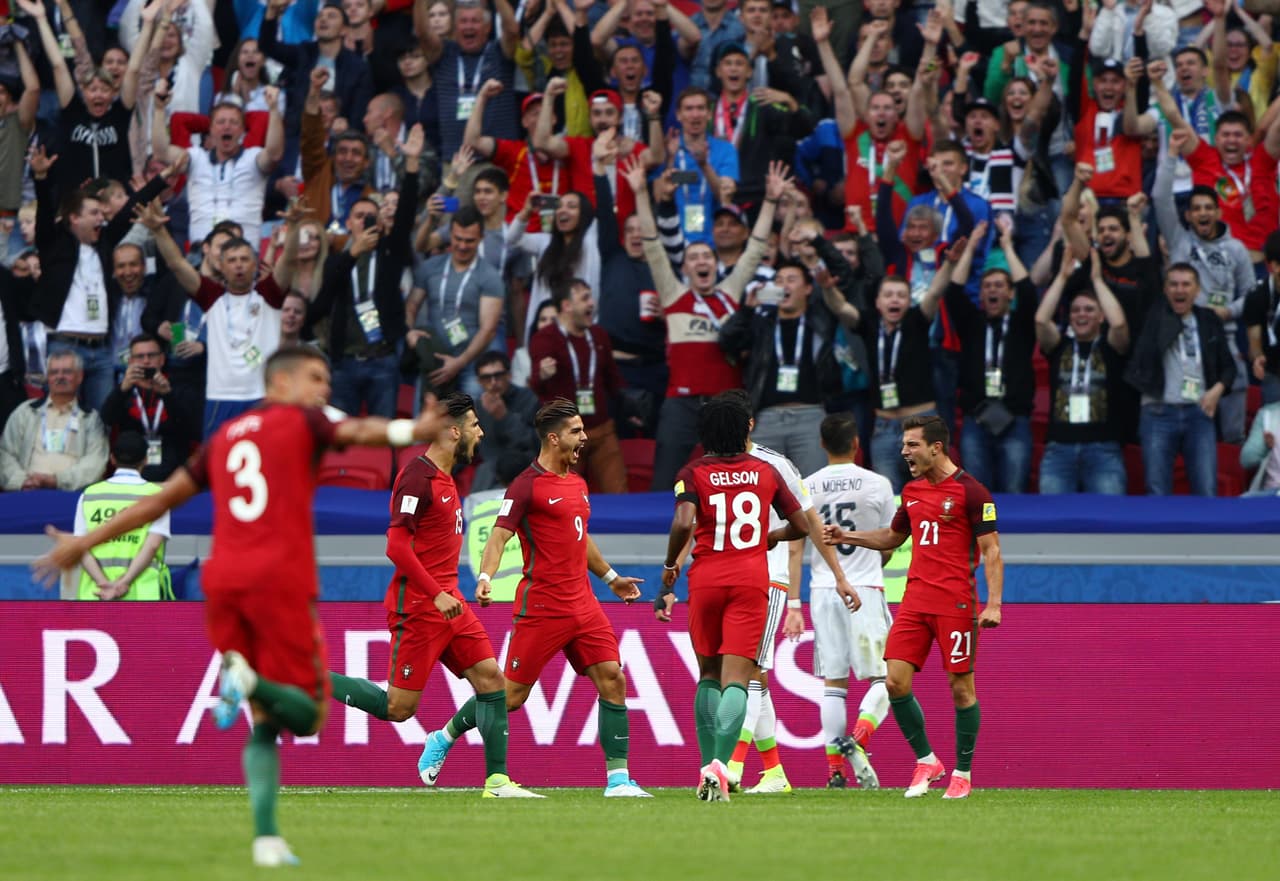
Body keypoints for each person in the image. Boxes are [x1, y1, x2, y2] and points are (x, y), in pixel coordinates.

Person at [33, 345, 448, 867]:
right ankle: (250, 682)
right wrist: (412, 430)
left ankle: (266, 837)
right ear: (280, 383)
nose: (324, 389)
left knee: (264, 724)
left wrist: (82, 542)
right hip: (280, 578)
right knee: (310, 716)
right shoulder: (301, 420)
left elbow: (159, 503)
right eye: (315, 377)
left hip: (225, 581)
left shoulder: (223, 439)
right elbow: (358, 433)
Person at [420, 399, 651, 798]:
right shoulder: (527, 484)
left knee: (612, 678)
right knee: (508, 696)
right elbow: (499, 535)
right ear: (553, 437)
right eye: (577, 431)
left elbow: (579, 537)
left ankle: (618, 780)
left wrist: (610, 577)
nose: (584, 438)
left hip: (584, 605)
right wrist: (487, 577)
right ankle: (443, 736)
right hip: (543, 608)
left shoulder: (578, 483)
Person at [329, 392, 540, 797]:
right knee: (399, 708)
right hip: (421, 607)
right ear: (454, 430)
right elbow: (395, 545)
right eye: (476, 425)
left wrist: (449, 594)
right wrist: (435, 594)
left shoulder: (446, 480)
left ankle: (497, 781)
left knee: (492, 681)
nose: (481, 432)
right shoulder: (417, 476)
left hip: (451, 604)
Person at [822, 413, 1003, 801]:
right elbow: (891, 535)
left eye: (912, 445)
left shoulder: (973, 493)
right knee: (894, 682)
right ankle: (927, 760)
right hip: (915, 602)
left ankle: (962, 773)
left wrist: (994, 604)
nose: (903, 451)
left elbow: (991, 551)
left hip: (955, 603)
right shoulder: (914, 492)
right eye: (904, 445)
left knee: (961, 690)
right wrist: (845, 535)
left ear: (936, 448)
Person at [655, 391, 810, 802]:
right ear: (746, 430)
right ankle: (722, 766)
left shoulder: (692, 472)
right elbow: (801, 525)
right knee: (738, 679)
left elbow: (684, 520)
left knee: (707, 675)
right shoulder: (765, 472)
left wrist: (671, 565)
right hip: (750, 581)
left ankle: (706, 766)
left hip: (706, 579)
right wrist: (769, 536)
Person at [803, 412, 896, 789]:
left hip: (824, 590)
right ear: (857, 443)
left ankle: (835, 771)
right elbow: (890, 538)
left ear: (822, 444)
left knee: (833, 684)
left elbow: (797, 540)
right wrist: (875, 559)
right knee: (886, 679)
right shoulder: (878, 484)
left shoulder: (806, 486)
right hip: (866, 588)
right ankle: (857, 739)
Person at [1125, 263, 1236, 496]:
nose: (1179, 290)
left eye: (1186, 284)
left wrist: (1217, 390)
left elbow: (1229, 367)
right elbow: (1146, 272)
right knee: (1157, 491)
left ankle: (1207, 534)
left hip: (1199, 412)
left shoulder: (1208, 319)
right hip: (1157, 413)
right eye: (1173, 284)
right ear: (1164, 289)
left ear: (1197, 290)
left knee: (1207, 490)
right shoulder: (1152, 314)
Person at [1034, 253, 1132, 495]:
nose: (1081, 314)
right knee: (1051, 524)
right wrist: (1062, 277)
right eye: (1076, 310)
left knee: (1110, 522)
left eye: (1089, 310)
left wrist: (1098, 280)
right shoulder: (1059, 346)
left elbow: (1119, 324)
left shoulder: (1111, 347)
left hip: (1103, 450)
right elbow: (1040, 319)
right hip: (1059, 451)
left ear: (1101, 317)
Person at [527, 280, 627, 494]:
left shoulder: (599, 335)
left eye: (591, 297)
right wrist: (542, 375)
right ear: (566, 306)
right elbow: (536, 386)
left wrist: (629, 405)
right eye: (585, 298)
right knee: (564, 495)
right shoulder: (544, 338)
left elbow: (612, 379)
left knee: (619, 492)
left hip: (602, 429)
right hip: (564, 433)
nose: (592, 303)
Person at [72, 431, 172, 600]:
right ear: (146, 460)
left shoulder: (90, 495)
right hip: (141, 594)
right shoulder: (157, 496)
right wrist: (123, 583)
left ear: (112, 459)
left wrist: (103, 583)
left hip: (96, 594)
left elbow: (80, 547)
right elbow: (152, 546)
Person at [0, 349, 108, 492]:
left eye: (67, 372)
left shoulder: (91, 418)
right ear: (47, 378)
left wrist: (57, 481)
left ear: (80, 377)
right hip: (27, 492)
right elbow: (5, 454)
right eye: (54, 372)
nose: (60, 377)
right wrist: (23, 481)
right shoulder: (25, 412)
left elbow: (96, 462)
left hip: (71, 495)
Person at [99, 333, 199, 481]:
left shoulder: (179, 387)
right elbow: (106, 418)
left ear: (162, 359)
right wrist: (123, 389)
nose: (146, 361)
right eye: (140, 356)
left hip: (171, 476)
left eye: (151, 355)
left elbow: (191, 429)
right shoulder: (124, 389)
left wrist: (167, 395)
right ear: (130, 361)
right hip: (133, 473)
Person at [471, 351, 541, 492]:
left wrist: (505, 417)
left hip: (524, 466)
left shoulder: (529, 399)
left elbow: (536, 443)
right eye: (486, 378)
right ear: (479, 381)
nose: (493, 383)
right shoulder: (477, 407)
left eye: (498, 376)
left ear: (509, 375)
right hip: (492, 470)